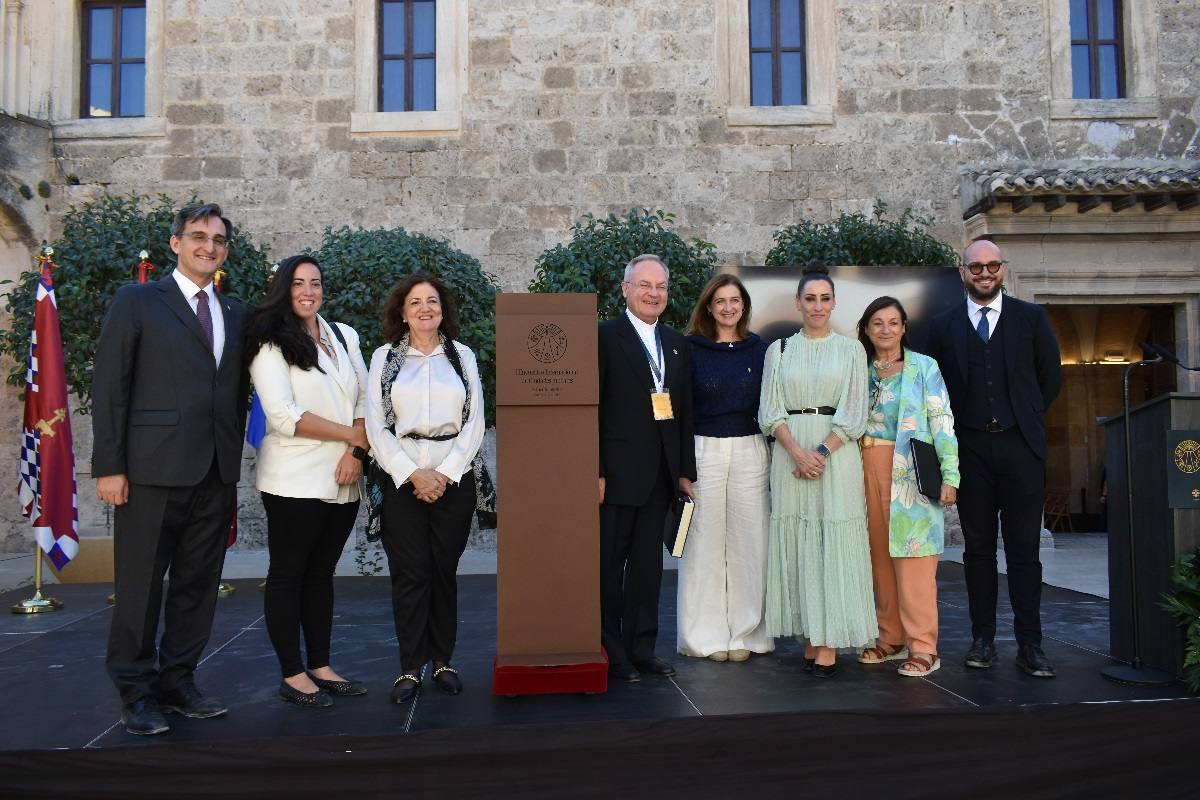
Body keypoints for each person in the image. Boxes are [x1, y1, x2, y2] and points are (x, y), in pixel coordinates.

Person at [92, 203, 248, 735]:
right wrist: (109, 466)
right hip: (149, 472)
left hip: (214, 471)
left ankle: (179, 682)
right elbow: (110, 387)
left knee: (197, 586)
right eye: (199, 236)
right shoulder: (137, 300)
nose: (210, 246)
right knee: (140, 588)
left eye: (219, 239)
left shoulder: (235, 312)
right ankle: (135, 693)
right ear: (175, 243)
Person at [925, 240, 1062, 678]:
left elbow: (1050, 378)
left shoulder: (1031, 318)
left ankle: (1031, 645)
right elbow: (935, 388)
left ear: (1002, 269)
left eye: (992, 266)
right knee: (978, 551)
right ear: (962, 271)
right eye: (976, 267)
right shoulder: (943, 326)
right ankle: (982, 640)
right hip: (970, 453)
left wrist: (1025, 418)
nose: (985, 273)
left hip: (1021, 449)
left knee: (1024, 551)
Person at [246, 255, 371, 707]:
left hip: (346, 473)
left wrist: (355, 451)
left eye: (315, 283)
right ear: (284, 288)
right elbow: (282, 416)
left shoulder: (344, 335)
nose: (308, 291)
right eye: (298, 283)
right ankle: (292, 673)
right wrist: (350, 436)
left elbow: (365, 395)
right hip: (293, 478)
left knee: (321, 576)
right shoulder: (269, 341)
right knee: (288, 575)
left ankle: (320, 664)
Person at [366, 272, 484, 703]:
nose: (424, 309)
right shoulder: (385, 358)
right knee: (410, 574)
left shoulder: (462, 356)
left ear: (443, 309)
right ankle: (410, 667)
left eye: (432, 301)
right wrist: (412, 473)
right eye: (415, 302)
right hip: (402, 478)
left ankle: (443, 661)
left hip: (454, 477)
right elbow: (376, 425)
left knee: (442, 572)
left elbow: (475, 423)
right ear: (402, 311)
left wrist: (448, 472)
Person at [758, 266, 873, 678]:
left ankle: (828, 645)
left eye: (825, 299)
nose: (818, 306)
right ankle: (811, 637)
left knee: (830, 541)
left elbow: (854, 412)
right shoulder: (780, 351)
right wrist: (796, 452)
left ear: (834, 303)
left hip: (836, 457)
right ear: (798, 303)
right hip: (790, 456)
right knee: (800, 542)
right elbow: (770, 412)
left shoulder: (851, 351)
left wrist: (820, 452)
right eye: (811, 299)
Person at [598, 254, 697, 683]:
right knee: (607, 571)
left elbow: (685, 413)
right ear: (625, 289)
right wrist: (595, 469)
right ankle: (612, 651)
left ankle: (643, 650)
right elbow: (594, 409)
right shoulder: (604, 337)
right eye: (644, 285)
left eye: (660, 286)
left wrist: (684, 471)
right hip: (615, 477)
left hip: (660, 477)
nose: (653, 293)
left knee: (647, 572)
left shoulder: (677, 343)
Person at [854, 296, 960, 677]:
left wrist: (951, 475)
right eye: (878, 322)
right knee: (878, 559)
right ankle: (890, 637)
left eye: (894, 322)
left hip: (910, 474)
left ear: (903, 328)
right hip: (861, 470)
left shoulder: (924, 368)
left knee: (914, 560)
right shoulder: (858, 369)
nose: (886, 329)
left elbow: (942, 420)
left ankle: (923, 646)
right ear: (866, 329)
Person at [678, 274, 772, 663]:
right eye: (721, 301)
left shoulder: (760, 350)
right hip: (705, 451)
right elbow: (679, 409)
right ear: (709, 307)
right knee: (704, 543)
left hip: (751, 449)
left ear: (744, 306)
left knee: (751, 543)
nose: (729, 307)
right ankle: (705, 636)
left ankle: (747, 634)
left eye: (735, 300)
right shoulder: (690, 349)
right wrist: (682, 466)